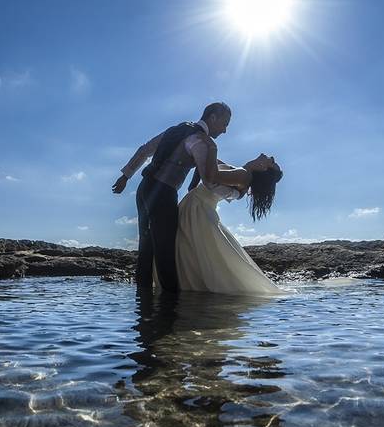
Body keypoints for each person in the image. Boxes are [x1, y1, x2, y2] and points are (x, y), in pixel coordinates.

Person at [112, 102, 247, 293]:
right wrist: (236, 193)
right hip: (163, 194)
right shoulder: (200, 140)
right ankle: (170, 310)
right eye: (224, 123)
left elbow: (144, 150)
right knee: (166, 253)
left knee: (146, 250)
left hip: (144, 189)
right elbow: (209, 179)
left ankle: (143, 309)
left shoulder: (176, 130)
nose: (225, 130)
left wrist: (126, 176)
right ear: (213, 117)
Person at [176, 153, 286, 295]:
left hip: (197, 208)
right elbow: (207, 162)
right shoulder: (241, 172)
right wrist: (192, 184)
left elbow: (210, 175)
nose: (270, 157)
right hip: (199, 208)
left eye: (271, 161)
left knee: (188, 251)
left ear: (263, 168)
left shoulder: (243, 175)